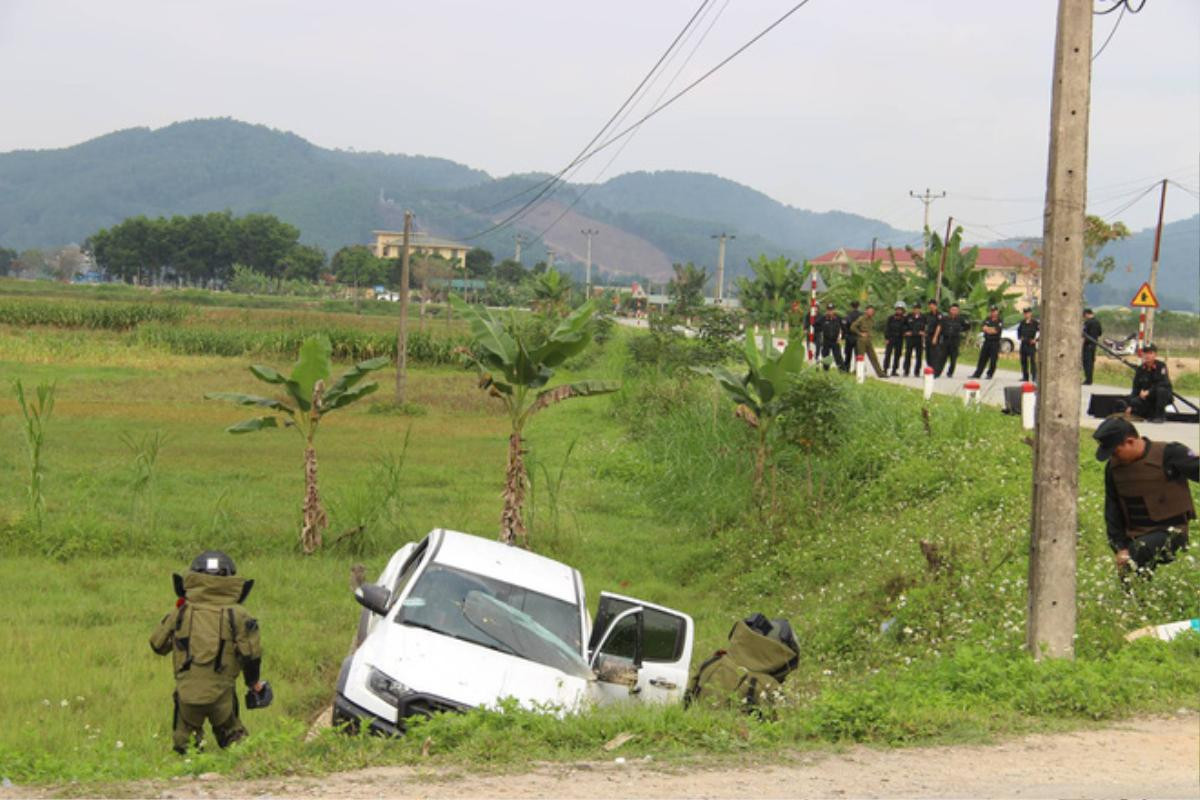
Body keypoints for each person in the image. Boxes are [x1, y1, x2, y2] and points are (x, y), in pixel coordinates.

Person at [150, 551, 269, 753]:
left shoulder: (181, 611)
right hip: (222, 694)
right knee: (235, 739)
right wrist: (254, 684)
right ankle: (248, 774)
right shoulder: (239, 614)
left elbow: (157, 645)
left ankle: (190, 774)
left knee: (185, 745)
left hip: (187, 694)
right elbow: (251, 656)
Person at [1093, 417, 1196, 572]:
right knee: (1129, 562)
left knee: (1139, 551)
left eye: (1115, 452)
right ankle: (1133, 595)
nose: (1113, 458)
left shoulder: (1170, 453)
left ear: (1130, 441)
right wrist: (1119, 547)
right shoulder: (1113, 469)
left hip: (1171, 532)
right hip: (1135, 535)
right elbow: (1112, 508)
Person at [1123, 343, 1173, 422]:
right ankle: (1149, 414)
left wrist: (1149, 391)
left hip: (1161, 395)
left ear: (1155, 355)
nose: (1147, 356)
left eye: (1150, 353)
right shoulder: (1140, 369)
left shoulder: (1161, 366)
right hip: (1146, 397)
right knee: (1134, 402)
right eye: (1145, 353)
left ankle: (1159, 416)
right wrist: (1130, 405)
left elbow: (1163, 383)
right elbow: (1135, 388)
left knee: (1161, 390)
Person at [932, 302, 968, 378]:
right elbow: (939, 327)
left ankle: (950, 372)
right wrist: (935, 337)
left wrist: (961, 330)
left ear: (958, 311)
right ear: (950, 310)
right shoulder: (945, 318)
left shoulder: (961, 319)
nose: (954, 311)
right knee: (941, 357)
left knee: (953, 358)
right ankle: (937, 373)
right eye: (952, 309)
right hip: (945, 340)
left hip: (955, 340)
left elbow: (967, 327)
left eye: (956, 310)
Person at [850, 305, 886, 378]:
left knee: (873, 357)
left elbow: (870, 330)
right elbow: (852, 327)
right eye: (869, 311)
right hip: (861, 341)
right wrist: (860, 333)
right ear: (866, 311)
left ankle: (880, 373)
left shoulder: (872, 320)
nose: (871, 312)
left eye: (872, 311)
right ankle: (857, 372)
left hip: (868, 341)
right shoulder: (861, 319)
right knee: (860, 358)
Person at [971, 305, 1004, 379]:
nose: (993, 313)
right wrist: (990, 329)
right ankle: (977, 373)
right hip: (987, 341)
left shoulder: (1000, 321)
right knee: (982, 358)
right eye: (992, 311)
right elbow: (983, 328)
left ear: (997, 312)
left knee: (993, 360)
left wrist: (988, 329)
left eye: (995, 311)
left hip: (995, 342)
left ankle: (990, 374)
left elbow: (995, 331)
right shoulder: (987, 319)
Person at [817, 302, 844, 371]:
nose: (830, 311)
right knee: (826, 357)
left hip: (835, 341)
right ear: (827, 310)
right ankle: (826, 371)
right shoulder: (823, 318)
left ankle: (842, 371)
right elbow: (816, 326)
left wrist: (841, 338)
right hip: (826, 341)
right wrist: (820, 336)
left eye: (831, 310)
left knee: (838, 357)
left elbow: (844, 328)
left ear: (834, 310)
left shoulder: (838, 318)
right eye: (829, 310)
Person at [1016, 307, 1040, 383]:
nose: (1026, 314)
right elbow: (1019, 331)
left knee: (1032, 361)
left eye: (1028, 313)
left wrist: (1036, 340)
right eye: (1025, 313)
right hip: (1024, 344)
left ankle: (1034, 377)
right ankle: (1025, 377)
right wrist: (1020, 337)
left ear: (1031, 313)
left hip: (1031, 344)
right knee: (1023, 361)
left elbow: (1041, 332)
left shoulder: (1035, 323)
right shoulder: (1022, 323)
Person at [883, 301, 907, 377]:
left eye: (900, 310)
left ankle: (894, 370)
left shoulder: (904, 319)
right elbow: (887, 328)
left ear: (903, 310)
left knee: (898, 354)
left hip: (899, 339)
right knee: (888, 354)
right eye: (897, 309)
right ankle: (885, 369)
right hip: (891, 338)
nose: (899, 311)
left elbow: (906, 328)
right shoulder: (891, 318)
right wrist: (886, 338)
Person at [902, 304, 925, 377]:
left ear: (920, 309)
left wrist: (924, 332)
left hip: (919, 338)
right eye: (915, 309)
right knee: (908, 355)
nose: (916, 310)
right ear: (913, 309)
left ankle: (917, 371)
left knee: (919, 356)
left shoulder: (923, 317)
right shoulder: (908, 316)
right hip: (910, 338)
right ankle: (906, 371)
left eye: (918, 309)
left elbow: (926, 326)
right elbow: (903, 325)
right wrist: (905, 332)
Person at [924, 299, 944, 375]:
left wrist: (935, 337)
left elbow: (939, 326)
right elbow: (925, 325)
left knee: (934, 354)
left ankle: (934, 371)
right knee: (928, 354)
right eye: (930, 306)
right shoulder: (928, 315)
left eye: (933, 305)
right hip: (928, 336)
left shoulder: (939, 315)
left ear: (936, 306)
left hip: (935, 336)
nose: (931, 307)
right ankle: (929, 369)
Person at [841, 301, 862, 372]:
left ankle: (847, 369)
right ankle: (857, 370)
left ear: (851, 306)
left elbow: (844, 325)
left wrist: (844, 335)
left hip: (849, 336)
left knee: (848, 354)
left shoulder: (848, 315)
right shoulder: (861, 315)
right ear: (858, 306)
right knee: (858, 355)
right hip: (858, 337)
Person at [1082, 308, 1102, 385]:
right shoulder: (1097, 322)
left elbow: (1084, 333)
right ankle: (1090, 379)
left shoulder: (1088, 323)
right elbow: (1100, 333)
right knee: (1091, 362)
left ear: (1087, 314)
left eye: (1084, 315)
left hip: (1087, 345)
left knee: (1087, 362)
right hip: (1094, 345)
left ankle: (1088, 379)